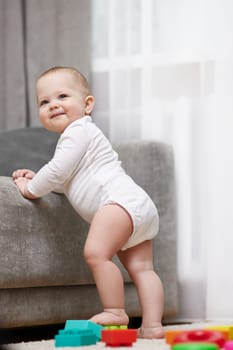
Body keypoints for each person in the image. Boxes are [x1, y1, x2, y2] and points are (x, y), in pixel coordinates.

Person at [12, 66, 164, 339]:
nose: (53, 104)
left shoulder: (77, 131)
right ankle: (152, 326)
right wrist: (39, 178)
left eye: (62, 96)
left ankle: (115, 310)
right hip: (137, 205)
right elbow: (65, 181)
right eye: (44, 102)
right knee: (143, 269)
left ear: (87, 104)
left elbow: (58, 170)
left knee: (96, 254)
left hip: (117, 202)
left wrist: (31, 188)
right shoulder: (81, 136)